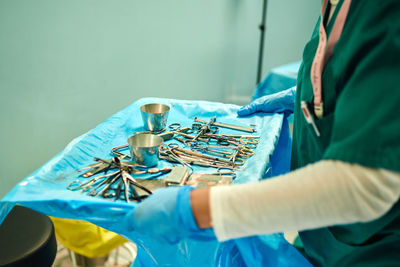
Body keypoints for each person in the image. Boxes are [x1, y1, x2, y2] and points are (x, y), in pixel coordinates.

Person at [123, 0, 400, 266]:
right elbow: (356, 75)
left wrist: (198, 208)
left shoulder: (383, 9)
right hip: (327, 239)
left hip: (371, 251)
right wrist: (308, 94)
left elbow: (362, 187)